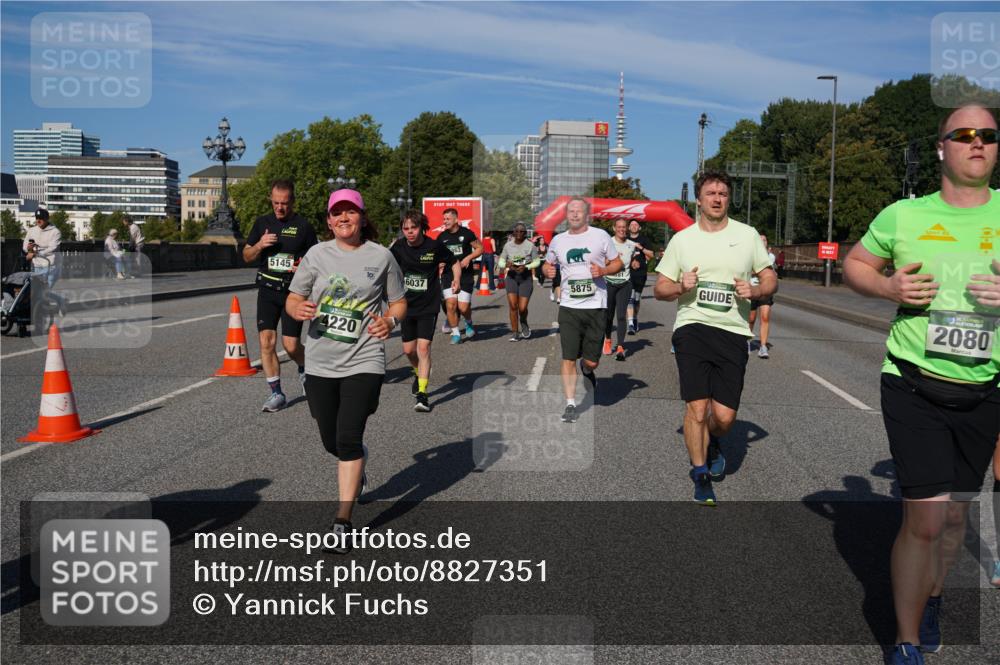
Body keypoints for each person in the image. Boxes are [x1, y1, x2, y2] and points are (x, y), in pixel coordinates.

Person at [842, 104, 999, 665]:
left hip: (986, 389)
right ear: (941, 148)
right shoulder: (905, 216)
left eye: (988, 135)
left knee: (956, 516)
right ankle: (906, 643)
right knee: (926, 517)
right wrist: (887, 290)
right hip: (912, 383)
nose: (977, 143)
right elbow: (856, 264)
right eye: (964, 134)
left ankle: (932, 597)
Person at [286, 189, 406, 553]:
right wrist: (298, 310)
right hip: (321, 360)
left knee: (349, 437)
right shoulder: (316, 254)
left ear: (361, 217)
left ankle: (343, 520)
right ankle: (357, 465)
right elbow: (294, 297)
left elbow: (399, 303)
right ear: (328, 220)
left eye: (350, 212)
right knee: (331, 441)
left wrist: (389, 321)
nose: (343, 218)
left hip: (365, 358)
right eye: (336, 213)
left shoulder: (381, 256)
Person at [653, 170, 776, 506]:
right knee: (697, 407)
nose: (717, 198)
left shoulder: (747, 235)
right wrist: (681, 286)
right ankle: (700, 474)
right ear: (699, 199)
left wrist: (756, 289)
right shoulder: (683, 240)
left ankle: (715, 440)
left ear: (728, 198)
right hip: (692, 327)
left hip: (733, 331)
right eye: (711, 193)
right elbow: (660, 288)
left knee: (723, 418)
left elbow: (769, 278)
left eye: (723, 193)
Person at [542, 198, 623, 423]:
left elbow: (618, 263)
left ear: (587, 215)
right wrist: (547, 270)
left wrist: (604, 270)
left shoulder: (600, 236)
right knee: (567, 357)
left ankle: (587, 370)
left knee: (592, 361)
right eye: (571, 211)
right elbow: (547, 264)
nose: (575, 215)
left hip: (596, 306)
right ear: (566, 215)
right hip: (568, 306)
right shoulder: (558, 240)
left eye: (579, 211)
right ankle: (570, 403)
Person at [243, 180, 318, 412]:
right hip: (267, 290)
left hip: (292, 293)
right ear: (270, 199)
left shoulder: (303, 226)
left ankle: (305, 368)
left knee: (291, 345)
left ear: (292, 201)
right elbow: (246, 255)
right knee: (267, 342)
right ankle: (276, 393)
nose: (280, 208)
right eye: (276, 203)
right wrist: (259, 245)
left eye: (284, 203)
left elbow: (315, 259)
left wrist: (302, 266)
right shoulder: (262, 223)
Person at [389, 210, 461, 412]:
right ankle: (417, 372)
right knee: (408, 351)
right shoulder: (399, 247)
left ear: (422, 228)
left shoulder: (434, 246)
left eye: (414, 228)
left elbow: (453, 261)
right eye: (406, 229)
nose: (410, 232)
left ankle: (422, 394)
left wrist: (456, 279)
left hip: (428, 304)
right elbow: (385, 266)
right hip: (405, 305)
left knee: (423, 349)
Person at [436, 207, 482, 344]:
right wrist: (440, 263)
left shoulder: (467, 234)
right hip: (448, 275)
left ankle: (468, 322)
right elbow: (437, 255)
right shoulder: (441, 237)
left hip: (465, 275)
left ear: (456, 219)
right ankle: (455, 333)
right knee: (450, 304)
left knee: (462, 307)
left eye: (448, 219)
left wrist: (468, 258)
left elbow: (480, 248)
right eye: (444, 219)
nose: (445, 221)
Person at [498, 222, 540, 341]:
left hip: (525, 278)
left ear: (525, 233)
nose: (519, 233)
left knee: (522, 308)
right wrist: (506, 264)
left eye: (522, 231)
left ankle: (523, 321)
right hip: (511, 277)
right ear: (513, 232)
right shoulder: (508, 246)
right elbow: (501, 261)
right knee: (512, 306)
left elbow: (537, 262)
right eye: (517, 231)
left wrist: (526, 266)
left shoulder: (531, 246)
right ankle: (515, 332)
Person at [603, 219, 636, 361]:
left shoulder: (631, 245)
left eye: (624, 227)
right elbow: (601, 262)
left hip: (625, 283)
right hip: (609, 283)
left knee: (621, 316)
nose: (622, 229)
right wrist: (608, 262)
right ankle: (608, 339)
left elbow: (632, 260)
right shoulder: (607, 243)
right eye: (619, 227)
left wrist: (634, 263)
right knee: (608, 315)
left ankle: (621, 347)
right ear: (614, 228)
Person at [748, 233, 777, 358]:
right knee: (751, 318)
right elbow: (752, 271)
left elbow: (761, 270)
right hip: (752, 290)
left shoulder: (770, 256)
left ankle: (763, 346)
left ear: (767, 243)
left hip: (765, 291)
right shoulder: (750, 256)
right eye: (759, 240)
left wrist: (756, 271)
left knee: (765, 317)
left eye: (764, 240)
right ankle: (746, 342)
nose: (762, 242)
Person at [626, 219, 655, 335]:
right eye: (631, 224)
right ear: (628, 227)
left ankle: (635, 318)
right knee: (630, 298)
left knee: (637, 299)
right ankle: (630, 324)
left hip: (641, 273)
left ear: (639, 228)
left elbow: (651, 255)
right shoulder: (625, 239)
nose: (633, 226)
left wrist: (641, 248)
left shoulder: (644, 240)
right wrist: (631, 261)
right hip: (627, 273)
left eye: (636, 224)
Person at [22, 208, 61, 288]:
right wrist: (28, 249)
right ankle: (61, 300)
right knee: (38, 292)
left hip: (51, 266)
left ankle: (61, 300)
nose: (38, 220)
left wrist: (35, 253)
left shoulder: (55, 232)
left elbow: (52, 248)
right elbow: (25, 246)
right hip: (36, 265)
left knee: (45, 291)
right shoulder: (31, 230)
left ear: (47, 219)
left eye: (41, 218)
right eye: (37, 218)